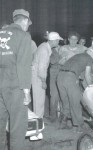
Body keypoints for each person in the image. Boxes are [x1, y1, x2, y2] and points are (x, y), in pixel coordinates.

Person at [0, 9, 32, 150]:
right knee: (17, 126)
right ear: (24, 21)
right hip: (15, 85)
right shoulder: (23, 35)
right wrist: (26, 91)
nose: (28, 26)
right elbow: (23, 64)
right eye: (28, 23)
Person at [57, 37, 93, 132]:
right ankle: (79, 126)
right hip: (70, 77)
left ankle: (63, 123)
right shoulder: (89, 58)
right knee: (75, 102)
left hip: (60, 76)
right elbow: (87, 75)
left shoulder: (78, 55)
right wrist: (92, 87)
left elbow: (75, 68)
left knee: (66, 101)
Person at [32, 32, 63, 118]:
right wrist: (43, 81)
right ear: (54, 40)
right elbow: (41, 68)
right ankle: (38, 120)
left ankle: (38, 119)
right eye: (58, 40)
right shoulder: (44, 50)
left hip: (37, 75)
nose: (58, 42)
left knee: (39, 99)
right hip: (38, 76)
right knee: (39, 100)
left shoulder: (44, 46)